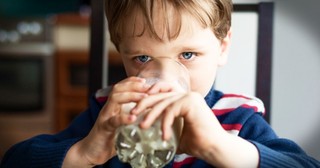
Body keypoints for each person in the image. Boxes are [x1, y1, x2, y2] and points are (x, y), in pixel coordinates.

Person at [1, 0, 320, 167]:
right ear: (121, 53)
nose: (164, 77)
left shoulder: (238, 118)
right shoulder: (109, 113)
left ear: (222, 48)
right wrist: (85, 152)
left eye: (188, 54)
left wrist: (223, 149)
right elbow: (15, 161)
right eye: (142, 58)